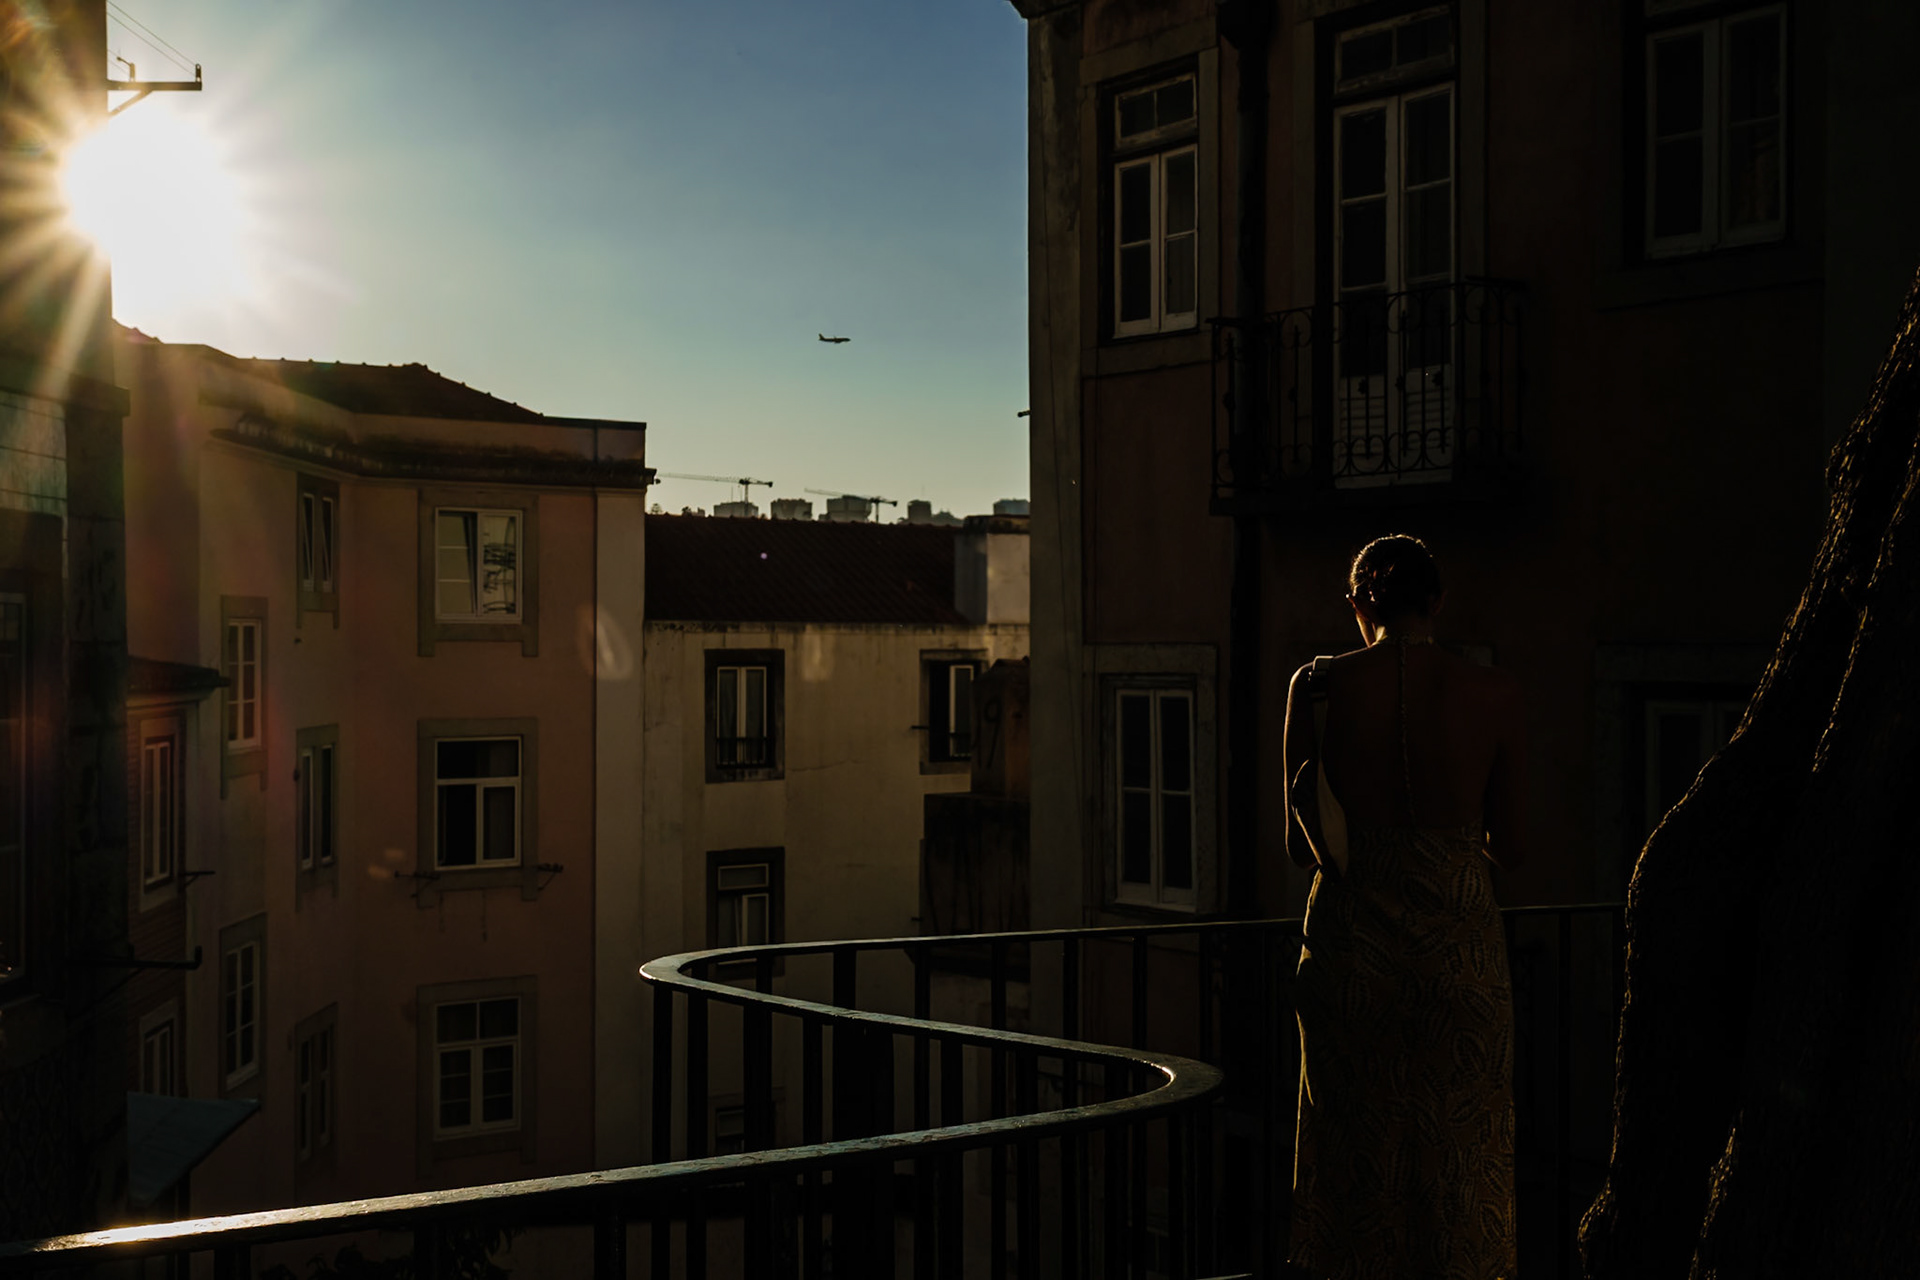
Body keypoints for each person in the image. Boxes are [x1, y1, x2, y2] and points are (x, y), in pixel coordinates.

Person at [1282, 534, 1527, 1280]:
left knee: (1355, 1155)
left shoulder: (1317, 686)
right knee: (1462, 1157)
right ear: (1438, 601)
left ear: (1360, 605)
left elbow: (1298, 846)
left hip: (1354, 951)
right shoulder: (1494, 693)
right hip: (1460, 953)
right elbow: (1514, 846)